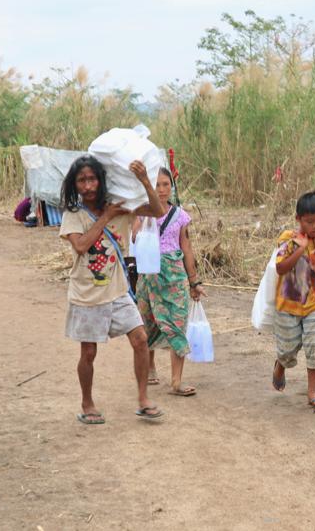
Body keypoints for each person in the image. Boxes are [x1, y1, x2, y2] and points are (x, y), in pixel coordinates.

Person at [59, 155, 166, 424]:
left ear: (101, 179)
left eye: (92, 178)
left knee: (140, 339)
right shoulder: (73, 215)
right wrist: (106, 216)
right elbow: (82, 245)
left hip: (118, 291)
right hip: (86, 294)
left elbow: (157, 211)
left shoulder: (122, 206)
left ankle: (143, 399)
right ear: (75, 184)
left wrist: (144, 180)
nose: (87, 185)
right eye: (81, 180)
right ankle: (87, 403)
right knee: (89, 353)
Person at [134, 167, 205, 395]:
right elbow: (134, 237)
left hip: (174, 277)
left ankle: (176, 381)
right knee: (148, 323)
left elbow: (186, 248)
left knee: (177, 323)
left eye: (166, 184)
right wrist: (144, 222)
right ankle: (151, 367)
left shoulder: (180, 216)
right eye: (157, 185)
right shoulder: (143, 213)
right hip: (148, 277)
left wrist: (194, 282)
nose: (162, 190)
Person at [270, 191, 315, 408]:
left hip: (313, 304)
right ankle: (280, 364)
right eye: (309, 222)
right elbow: (281, 267)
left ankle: (312, 392)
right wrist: (301, 247)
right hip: (288, 305)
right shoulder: (288, 239)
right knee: (288, 349)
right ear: (298, 219)